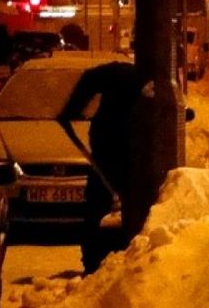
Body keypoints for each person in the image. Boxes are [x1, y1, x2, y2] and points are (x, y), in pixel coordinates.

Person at [57, 60, 147, 273]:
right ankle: (105, 257)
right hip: (119, 147)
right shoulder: (131, 76)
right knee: (108, 201)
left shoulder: (119, 74)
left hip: (110, 144)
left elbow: (90, 79)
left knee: (99, 204)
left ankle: (95, 259)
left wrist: (72, 110)